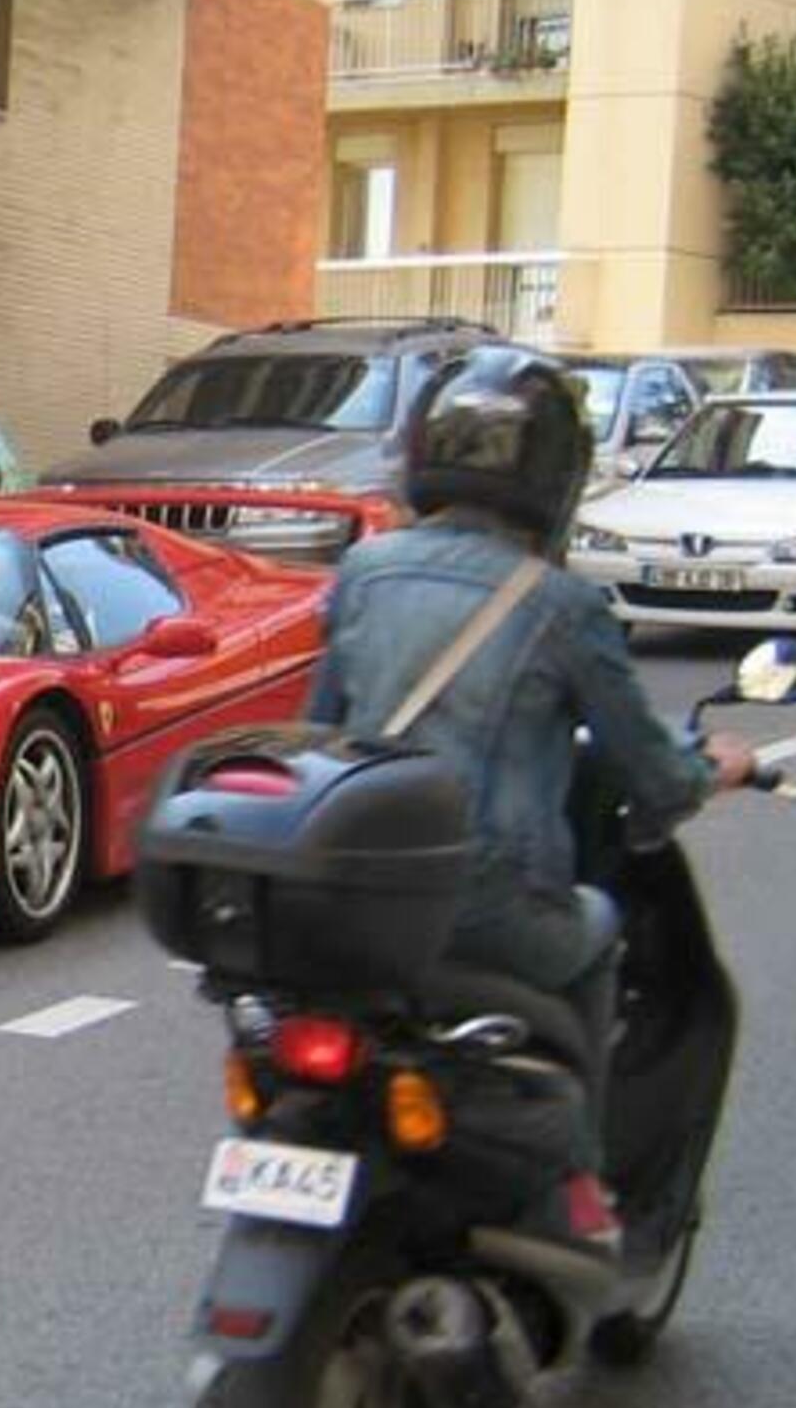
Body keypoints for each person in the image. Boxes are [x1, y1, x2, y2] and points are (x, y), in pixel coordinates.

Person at [305, 347, 757, 1251]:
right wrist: (722, 768)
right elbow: (653, 772)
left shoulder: (366, 571)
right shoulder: (560, 605)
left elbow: (323, 732)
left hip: (349, 900)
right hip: (487, 907)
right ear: (558, 477)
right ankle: (578, 1181)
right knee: (595, 931)